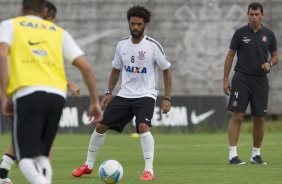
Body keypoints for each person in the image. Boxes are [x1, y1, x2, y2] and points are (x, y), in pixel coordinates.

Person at [0, 0, 103, 183]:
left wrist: (5, 94)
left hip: (27, 92)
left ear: (21, 9)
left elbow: (2, 55)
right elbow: (86, 68)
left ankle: (5, 173)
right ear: (45, 11)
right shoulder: (58, 33)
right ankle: (4, 172)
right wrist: (95, 102)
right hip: (56, 97)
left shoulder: (11, 25)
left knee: (25, 158)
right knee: (42, 153)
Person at [71, 5, 172, 181]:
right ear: (129, 23)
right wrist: (109, 92)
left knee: (143, 127)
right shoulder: (121, 45)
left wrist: (167, 98)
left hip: (146, 95)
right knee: (100, 126)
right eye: (132, 24)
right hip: (125, 95)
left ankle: (149, 170)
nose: (135, 27)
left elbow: (167, 71)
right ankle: (88, 165)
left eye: (139, 24)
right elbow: (115, 70)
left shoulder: (153, 46)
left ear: (145, 25)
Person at [223, 2, 278, 165]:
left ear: (262, 15)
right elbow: (230, 56)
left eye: (257, 14)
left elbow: (275, 56)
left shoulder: (269, 34)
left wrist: (269, 63)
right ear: (248, 15)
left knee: (259, 117)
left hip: (260, 80)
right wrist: (226, 79)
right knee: (237, 116)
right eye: (251, 14)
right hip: (241, 79)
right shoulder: (240, 33)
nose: (254, 17)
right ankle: (232, 155)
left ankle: (256, 155)